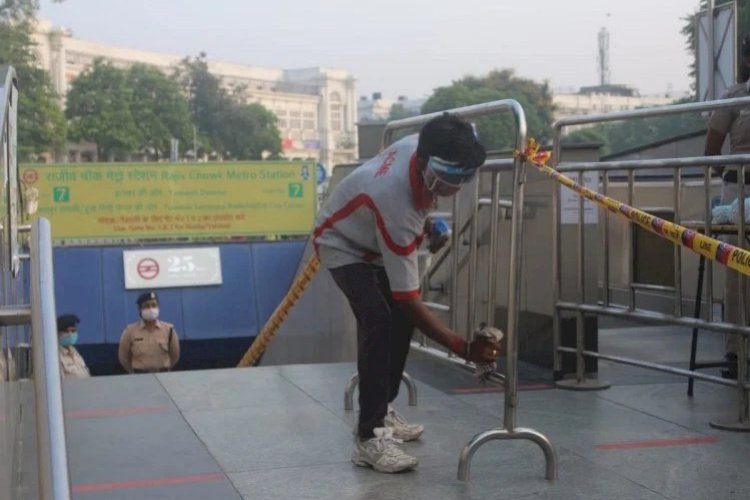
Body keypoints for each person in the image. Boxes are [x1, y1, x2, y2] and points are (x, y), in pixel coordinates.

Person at [314, 113, 500, 473]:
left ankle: (382, 409)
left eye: (465, 178)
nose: (456, 188)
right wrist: (463, 348)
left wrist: (426, 225)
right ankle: (369, 438)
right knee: (379, 320)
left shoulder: (425, 144)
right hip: (341, 243)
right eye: (449, 178)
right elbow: (408, 299)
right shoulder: (395, 200)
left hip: (375, 237)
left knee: (398, 322)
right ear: (428, 165)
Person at [704, 33, 750, 378]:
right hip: (739, 195)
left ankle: (740, 352)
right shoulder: (735, 96)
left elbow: (710, 152)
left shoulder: (737, 95)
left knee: (740, 275)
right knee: (738, 274)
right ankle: (737, 353)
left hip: (739, 190)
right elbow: (711, 151)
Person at [118, 291, 180, 373]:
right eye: (147, 306)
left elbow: (175, 355)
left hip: (163, 375)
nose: (151, 309)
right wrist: (133, 373)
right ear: (140, 309)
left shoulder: (169, 330)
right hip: (140, 376)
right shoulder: (130, 331)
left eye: (154, 305)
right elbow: (123, 357)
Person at [57, 314, 90, 379]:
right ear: (58, 333)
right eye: (68, 331)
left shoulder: (74, 352)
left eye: (74, 331)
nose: (72, 335)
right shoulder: (55, 356)